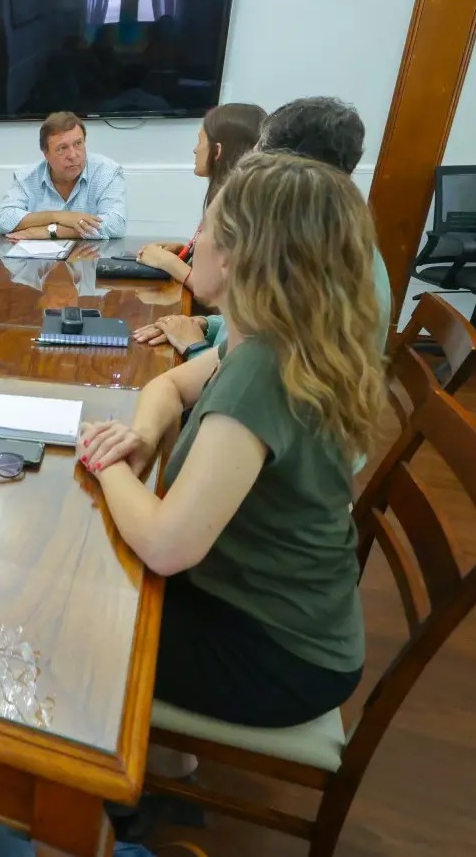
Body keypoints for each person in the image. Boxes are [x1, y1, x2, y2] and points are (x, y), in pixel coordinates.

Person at [80, 153, 385, 734]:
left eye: (207, 229)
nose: (194, 242)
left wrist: (102, 457)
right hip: (282, 611)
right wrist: (143, 434)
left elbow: (167, 546)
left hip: (277, 652)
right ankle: (167, 758)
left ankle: (107, 804)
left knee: (74, 618)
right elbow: (170, 383)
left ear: (243, 253)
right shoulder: (282, 336)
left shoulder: (265, 369)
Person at [134, 97, 395, 357]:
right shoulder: (320, 235)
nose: (250, 156)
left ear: (283, 167)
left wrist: (194, 347)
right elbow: (257, 331)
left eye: (260, 147)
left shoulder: (307, 262)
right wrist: (207, 325)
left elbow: (248, 381)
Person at [133, 102, 268, 285]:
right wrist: (190, 252)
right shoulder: (243, 195)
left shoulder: (237, 207)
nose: (195, 149)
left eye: (199, 141)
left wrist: (168, 262)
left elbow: (214, 291)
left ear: (218, 151)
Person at [0, 111, 128, 241]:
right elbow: (2, 220)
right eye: (62, 148)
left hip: (89, 261)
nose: (73, 155)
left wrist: (51, 231)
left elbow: (116, 224)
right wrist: (57, 216)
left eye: (78, 144)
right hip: (38, 263)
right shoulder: (26, 177)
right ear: (46, 154)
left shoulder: (107, 172)